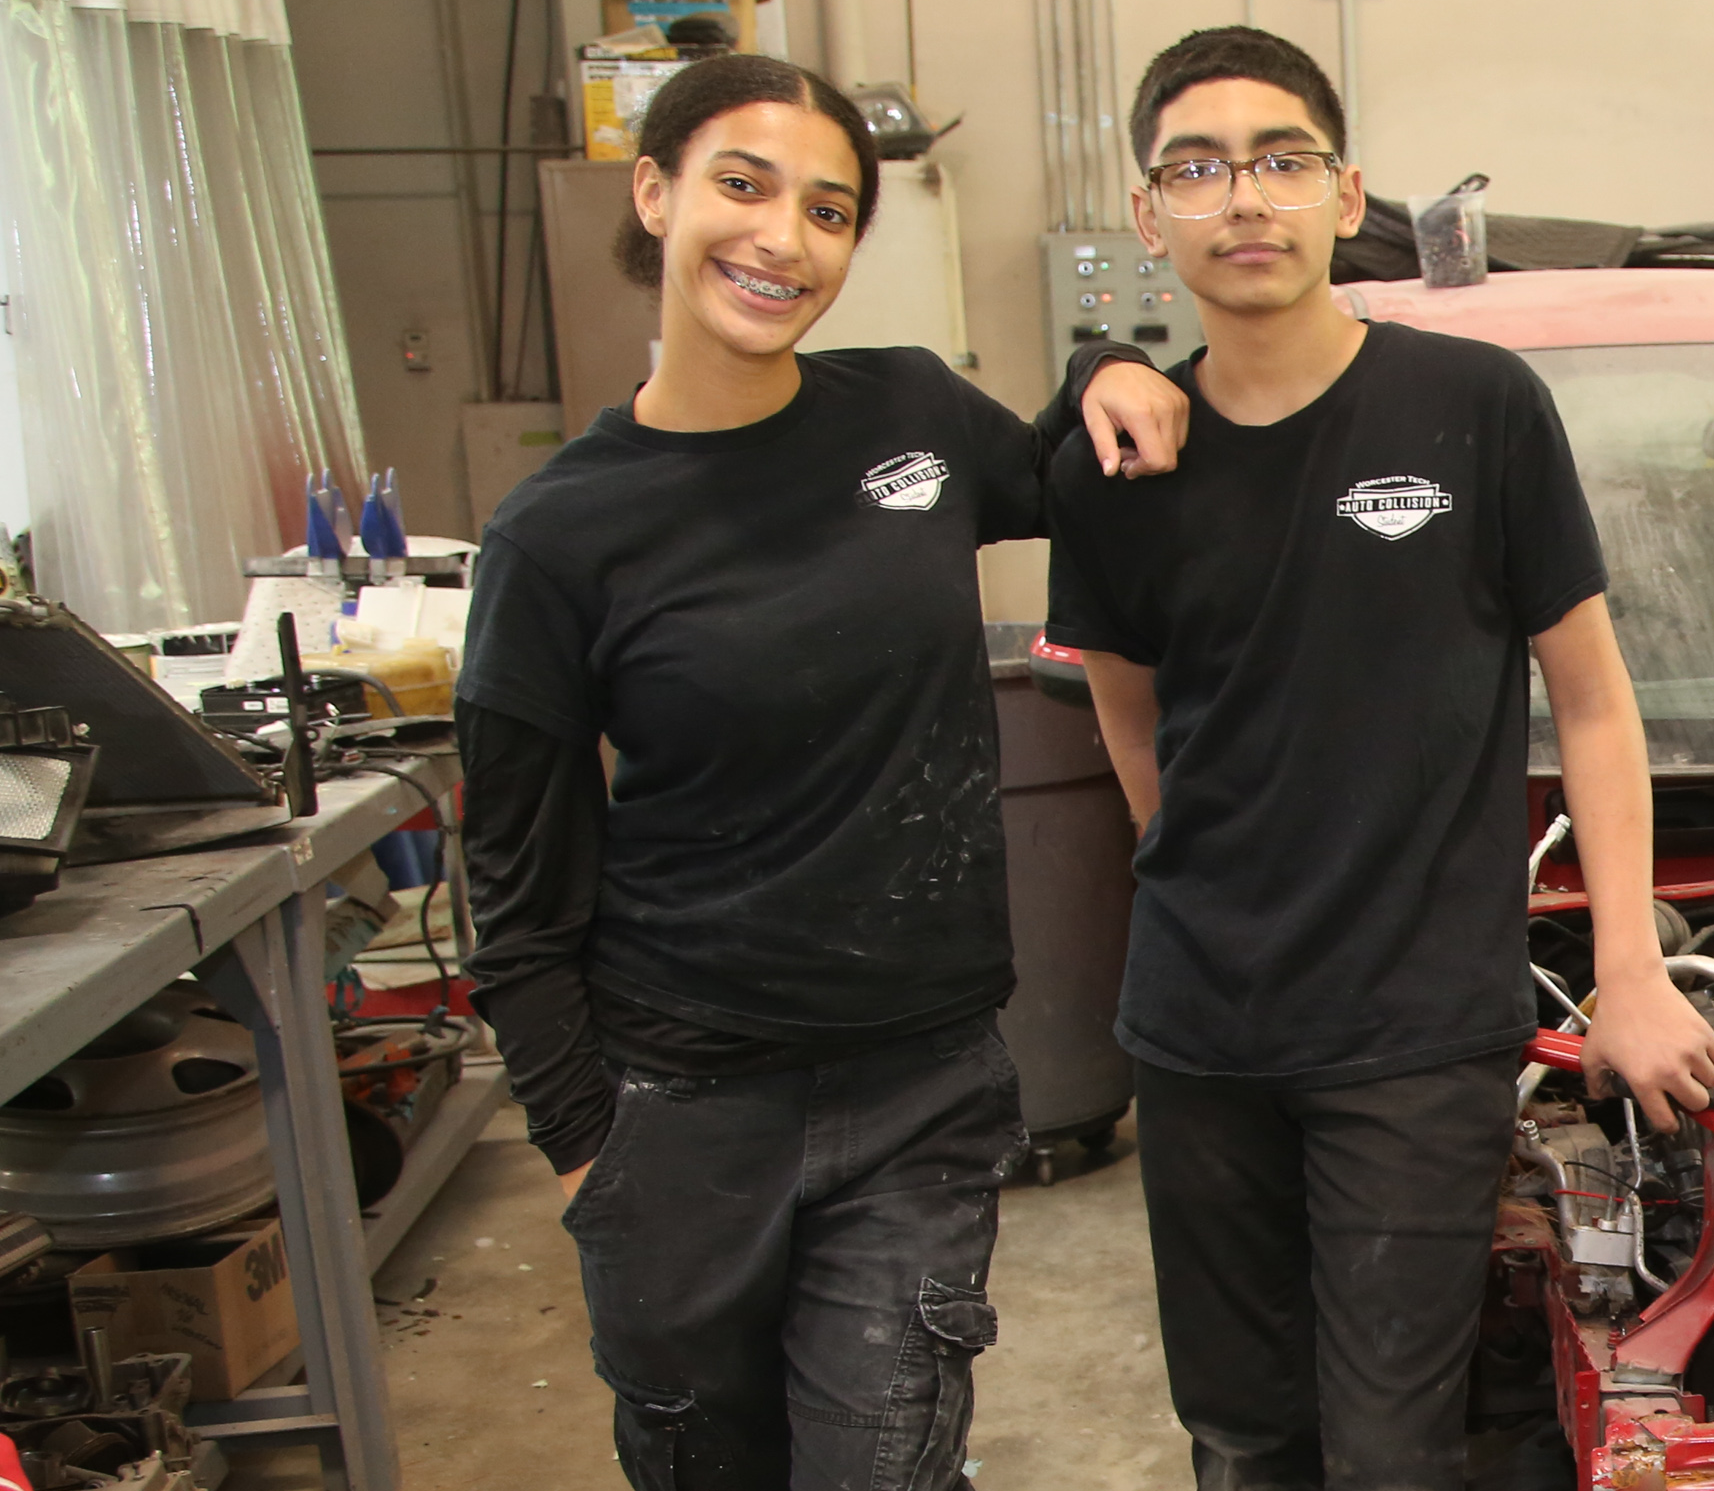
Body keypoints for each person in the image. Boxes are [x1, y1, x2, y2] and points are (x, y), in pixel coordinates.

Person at [456, 53, 1192, 1490]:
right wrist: (586, 1155)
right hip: (680, 1105)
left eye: (830, 209)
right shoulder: (556, 535)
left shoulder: (906, 413)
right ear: (656, 193)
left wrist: (1109, 360)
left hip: (922, 1085)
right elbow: (519, 893)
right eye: (742, 185)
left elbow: (1068, 470)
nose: (782, 238)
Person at [1038, 27, 1714, 1488]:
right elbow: (1128, 707)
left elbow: (1593, 702)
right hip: (1199, 1026)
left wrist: (1631, 965)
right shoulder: (1121, 461)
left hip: (1414, 1031)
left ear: (1346, 196)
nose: (1245, 199)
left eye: (1282, 161)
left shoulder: (1474, 409)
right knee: (1243, 1425)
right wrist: (1199, 874)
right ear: (1150, 211)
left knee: (1395, 1443)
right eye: (1200, 168)